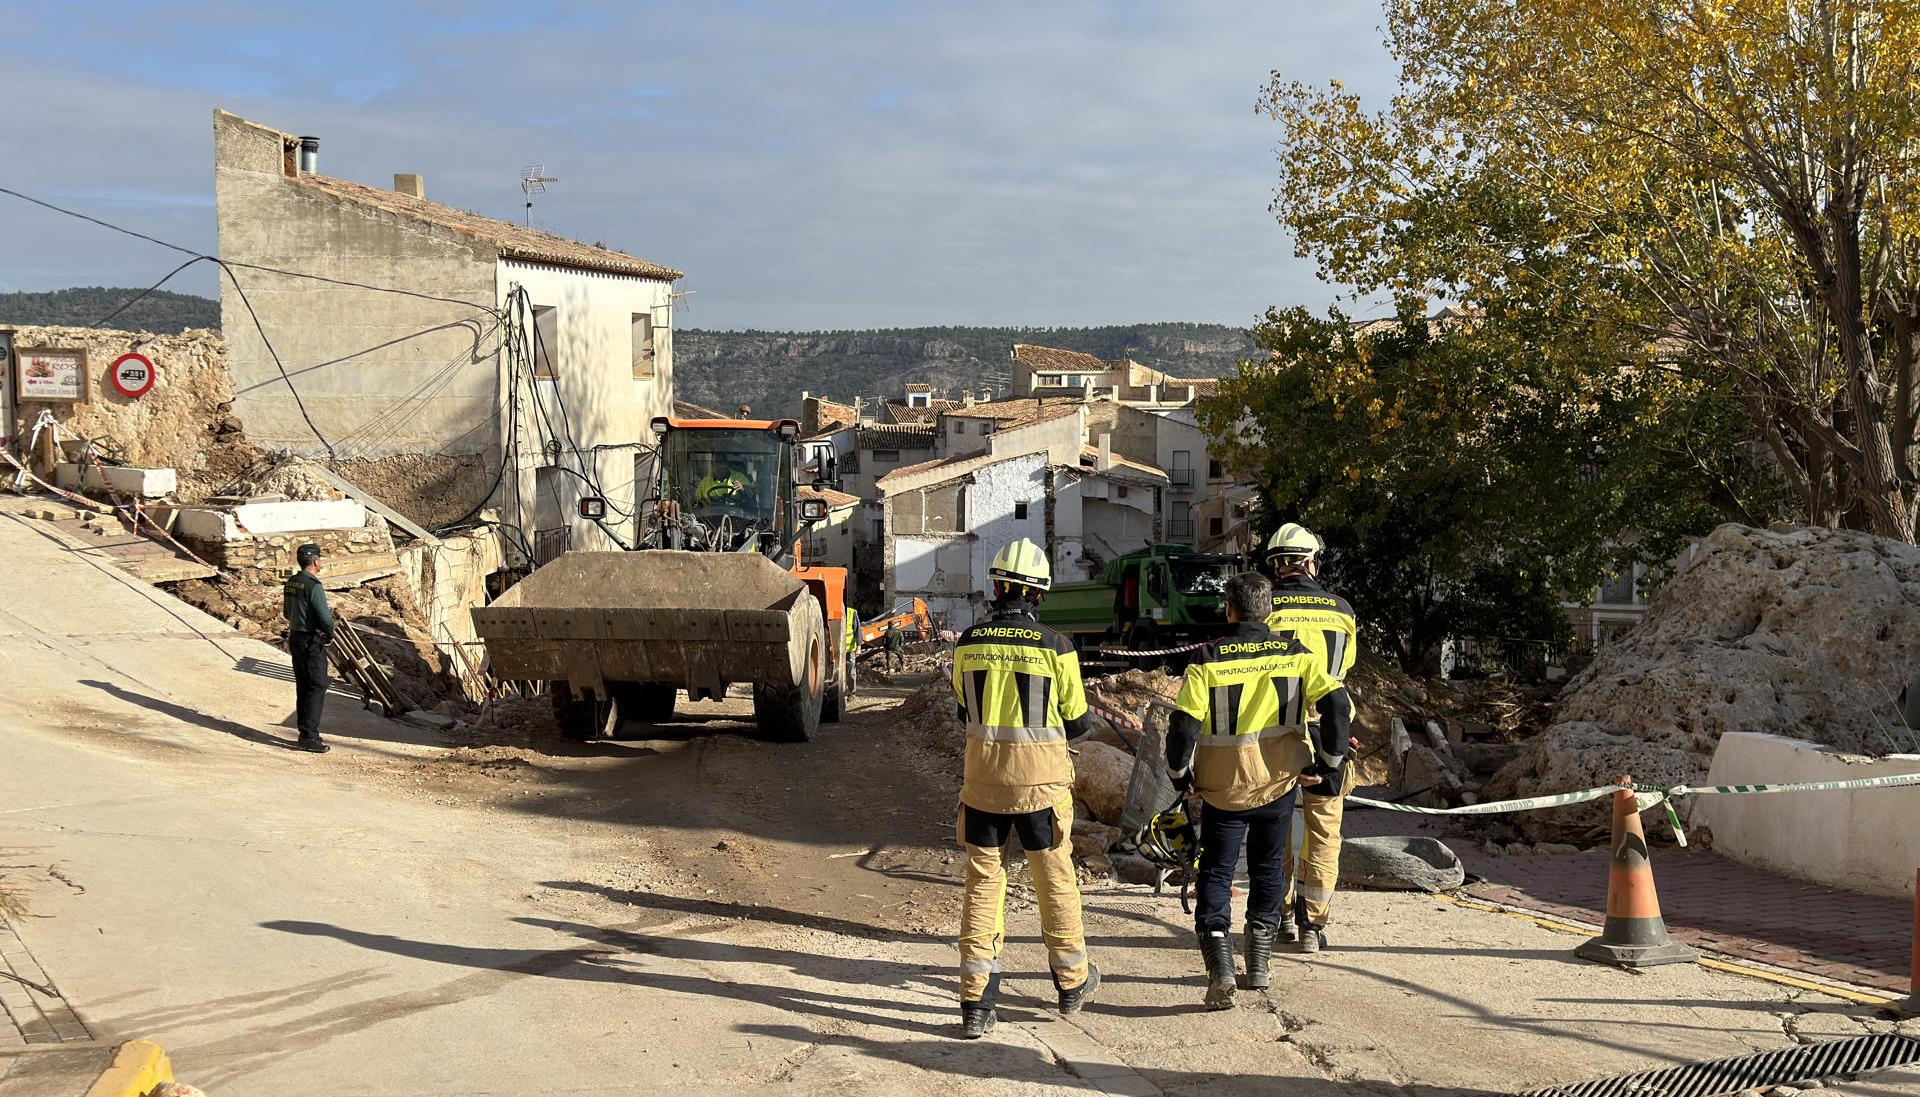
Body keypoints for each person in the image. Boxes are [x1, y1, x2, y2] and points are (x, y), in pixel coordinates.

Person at [1166, 571, 1350, 1009]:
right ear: (1268, 611)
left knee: (1215, 872)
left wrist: (1179, 776)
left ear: (1229, 610)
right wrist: (1328, 765)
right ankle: (1260, 964)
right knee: (1268, 867)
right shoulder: (1297, 655)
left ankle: (1221, 969)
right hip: (1278, 785)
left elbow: (1182, 726)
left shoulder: (1208, 659)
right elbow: (1337, 705)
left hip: (1222, 788)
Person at [950, 538, 1099, 1038]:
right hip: (1042, 789)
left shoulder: (967, 644)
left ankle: (976, 1002)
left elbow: (963, 712)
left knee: (983, 884)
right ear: (1038, 594)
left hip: (983, 785)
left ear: (996, 587)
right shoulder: (1058, 647)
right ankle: (1072, 983)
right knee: (1054, 878)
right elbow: (1077, 724)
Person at [1262, 523, 1360, 954]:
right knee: (1324, 830)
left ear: (1276, 566)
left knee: (1277, 825)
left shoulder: (1266, 610)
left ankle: (1282, 915)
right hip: (1329, 729)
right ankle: (1312, 926)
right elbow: (1342, 673)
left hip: (1278, 729)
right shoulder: (1343, 610)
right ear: (1310, 562)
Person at [282, 542, 335, 754]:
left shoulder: (291, 582)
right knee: (317, 685)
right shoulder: (314, 585)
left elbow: (287, 612)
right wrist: (329, 635)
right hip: (312, 640)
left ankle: (304, 731)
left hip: (295, 637)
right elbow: (325, 617)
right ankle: (309, 736)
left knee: (303, 684)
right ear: (315, 561)